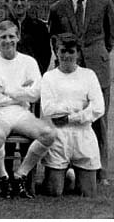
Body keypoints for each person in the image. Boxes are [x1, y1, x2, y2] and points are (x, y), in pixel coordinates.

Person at [48, 0, 114, 185]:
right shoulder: (58, 8)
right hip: (70, 71)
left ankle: (101, 171)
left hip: (98, 66)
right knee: (70, 115)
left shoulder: (104, 3)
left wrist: (98, 55)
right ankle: (71, 166)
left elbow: (110, 37)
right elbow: (55, 38)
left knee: (99, 119)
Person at [0, 20, 55, 199]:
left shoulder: (29, 62)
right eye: (3, 37)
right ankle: (3, 178)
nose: (8, 41)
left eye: (11, 36)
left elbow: (36, 93)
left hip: (21, 113)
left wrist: (7, 90)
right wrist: (22, 91)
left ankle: (20, 176)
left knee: (48, 134)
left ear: (18, 37)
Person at [40, 33, 104, 197]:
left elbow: (98, 108)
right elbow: (48, 109)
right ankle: (65, 174)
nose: (66, 55)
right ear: (56, 51)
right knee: (54, 192)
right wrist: (79, 106)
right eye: (62, 51)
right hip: (59, 135)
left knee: (87, 193)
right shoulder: (49, 77)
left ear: (78, 53)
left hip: (83, 134)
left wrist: (70, 117)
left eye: (71, 51)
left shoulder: (88, 75)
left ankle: (74, 172)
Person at [0, 0, 51, 74]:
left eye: (22, 0)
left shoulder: (39, 27)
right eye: (15, 0)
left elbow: (45, 56)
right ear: (8, 2)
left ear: (28, 2)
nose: (19, 4)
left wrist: (35, 75)